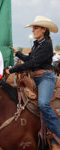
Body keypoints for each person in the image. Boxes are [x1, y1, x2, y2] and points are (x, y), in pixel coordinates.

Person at [6, 16, 60, 150]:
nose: (33, 31)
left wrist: (12, 69)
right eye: (33, 28)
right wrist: (17, 53)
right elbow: (29, 58)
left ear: (43, 29)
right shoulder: (37, 44)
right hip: (35, 77)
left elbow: (34, 63)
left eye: (35, 28)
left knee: (43, 103)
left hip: (45, 77)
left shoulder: (47, 44)